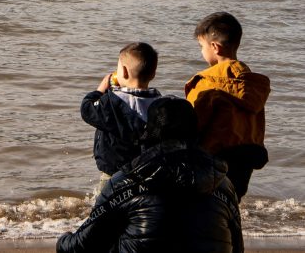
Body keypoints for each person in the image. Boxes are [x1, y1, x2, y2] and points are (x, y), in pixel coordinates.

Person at [57, 96, 244, 253]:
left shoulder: (126, 180)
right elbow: (237, 247)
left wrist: (62, 240)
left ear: (150, 133)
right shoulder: (222, 183)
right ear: (195, 133)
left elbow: (81, 247)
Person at [185, 11, 270, 200]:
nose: (201, 51)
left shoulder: (208, 82)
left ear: (215, 47)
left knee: (208, 206)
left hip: (214, 158)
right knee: (231, 201)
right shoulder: (252, 83)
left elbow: (193, 124)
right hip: (246, 158)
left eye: (201, 46)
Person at [80, 42, 161, 184]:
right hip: (146, 171)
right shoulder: (160, 103)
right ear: (153, 74)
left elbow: (87, 110)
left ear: (123, 72)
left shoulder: (111, 102)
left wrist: (100, 90)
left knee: (106, 202)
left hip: (114, 173)